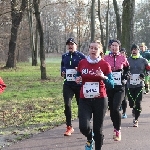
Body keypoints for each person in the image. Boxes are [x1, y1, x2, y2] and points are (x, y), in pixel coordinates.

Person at [75, 40, 114, 150]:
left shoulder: (104, 64)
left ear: (100, 50)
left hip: (100, 99)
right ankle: (89, 136)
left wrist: (103, 77)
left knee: (98, 129)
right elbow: (78, 77)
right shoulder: (82, 63)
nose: (93, 50)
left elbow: (111, 84)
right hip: (85, 99)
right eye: (91, 47)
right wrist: (77, 79)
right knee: (83, 126)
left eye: (96, 48)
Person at [104, 39, 130, 141]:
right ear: (110, 47)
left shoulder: (123, 57)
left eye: (116, 46)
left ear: (119, 47)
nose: (114, 47)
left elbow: (128, 69)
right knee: (111, 110)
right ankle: (115, 126)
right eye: (112, 46)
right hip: (110, 87)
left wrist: (125, 77)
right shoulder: (105, 58)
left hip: (120, 87)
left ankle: (117, 130)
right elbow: (103, 70)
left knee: (116, 108)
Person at [61, 37, 85, 136]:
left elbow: (86, 68)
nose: (70, 46)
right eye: (69, 44)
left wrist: (79, 69)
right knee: (67, 105)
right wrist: (62, 72)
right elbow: (62, 66)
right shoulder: (64, 56)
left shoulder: (81, 56)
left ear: (76, 45)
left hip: (78, 85)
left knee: (81, 106)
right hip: (68, 84)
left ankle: (83, 123)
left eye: (72, 44)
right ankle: (69, 127)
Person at [127, 44, 150, 127]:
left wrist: (145, 74)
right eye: (132, 49)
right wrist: (126, 74)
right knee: (131, 102)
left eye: (135, 49)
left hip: (139, 84)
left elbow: (148, 70)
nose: (134, 51)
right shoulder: (127, 60)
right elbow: (123, 70)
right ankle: (133, 108)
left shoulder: (143, 60)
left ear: (138, 51)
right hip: (129, 85)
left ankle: (136, 119)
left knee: (138, 103)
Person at [119, 48, 128, 119]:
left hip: (124, 81)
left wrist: (125, 77)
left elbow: (128, 70)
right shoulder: (116, 59)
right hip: (116, 82)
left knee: (124, 97)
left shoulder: (125, 60)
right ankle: (119, 106)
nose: (122, 54)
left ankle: (124, 112)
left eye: (123, 53)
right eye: (121, 52)